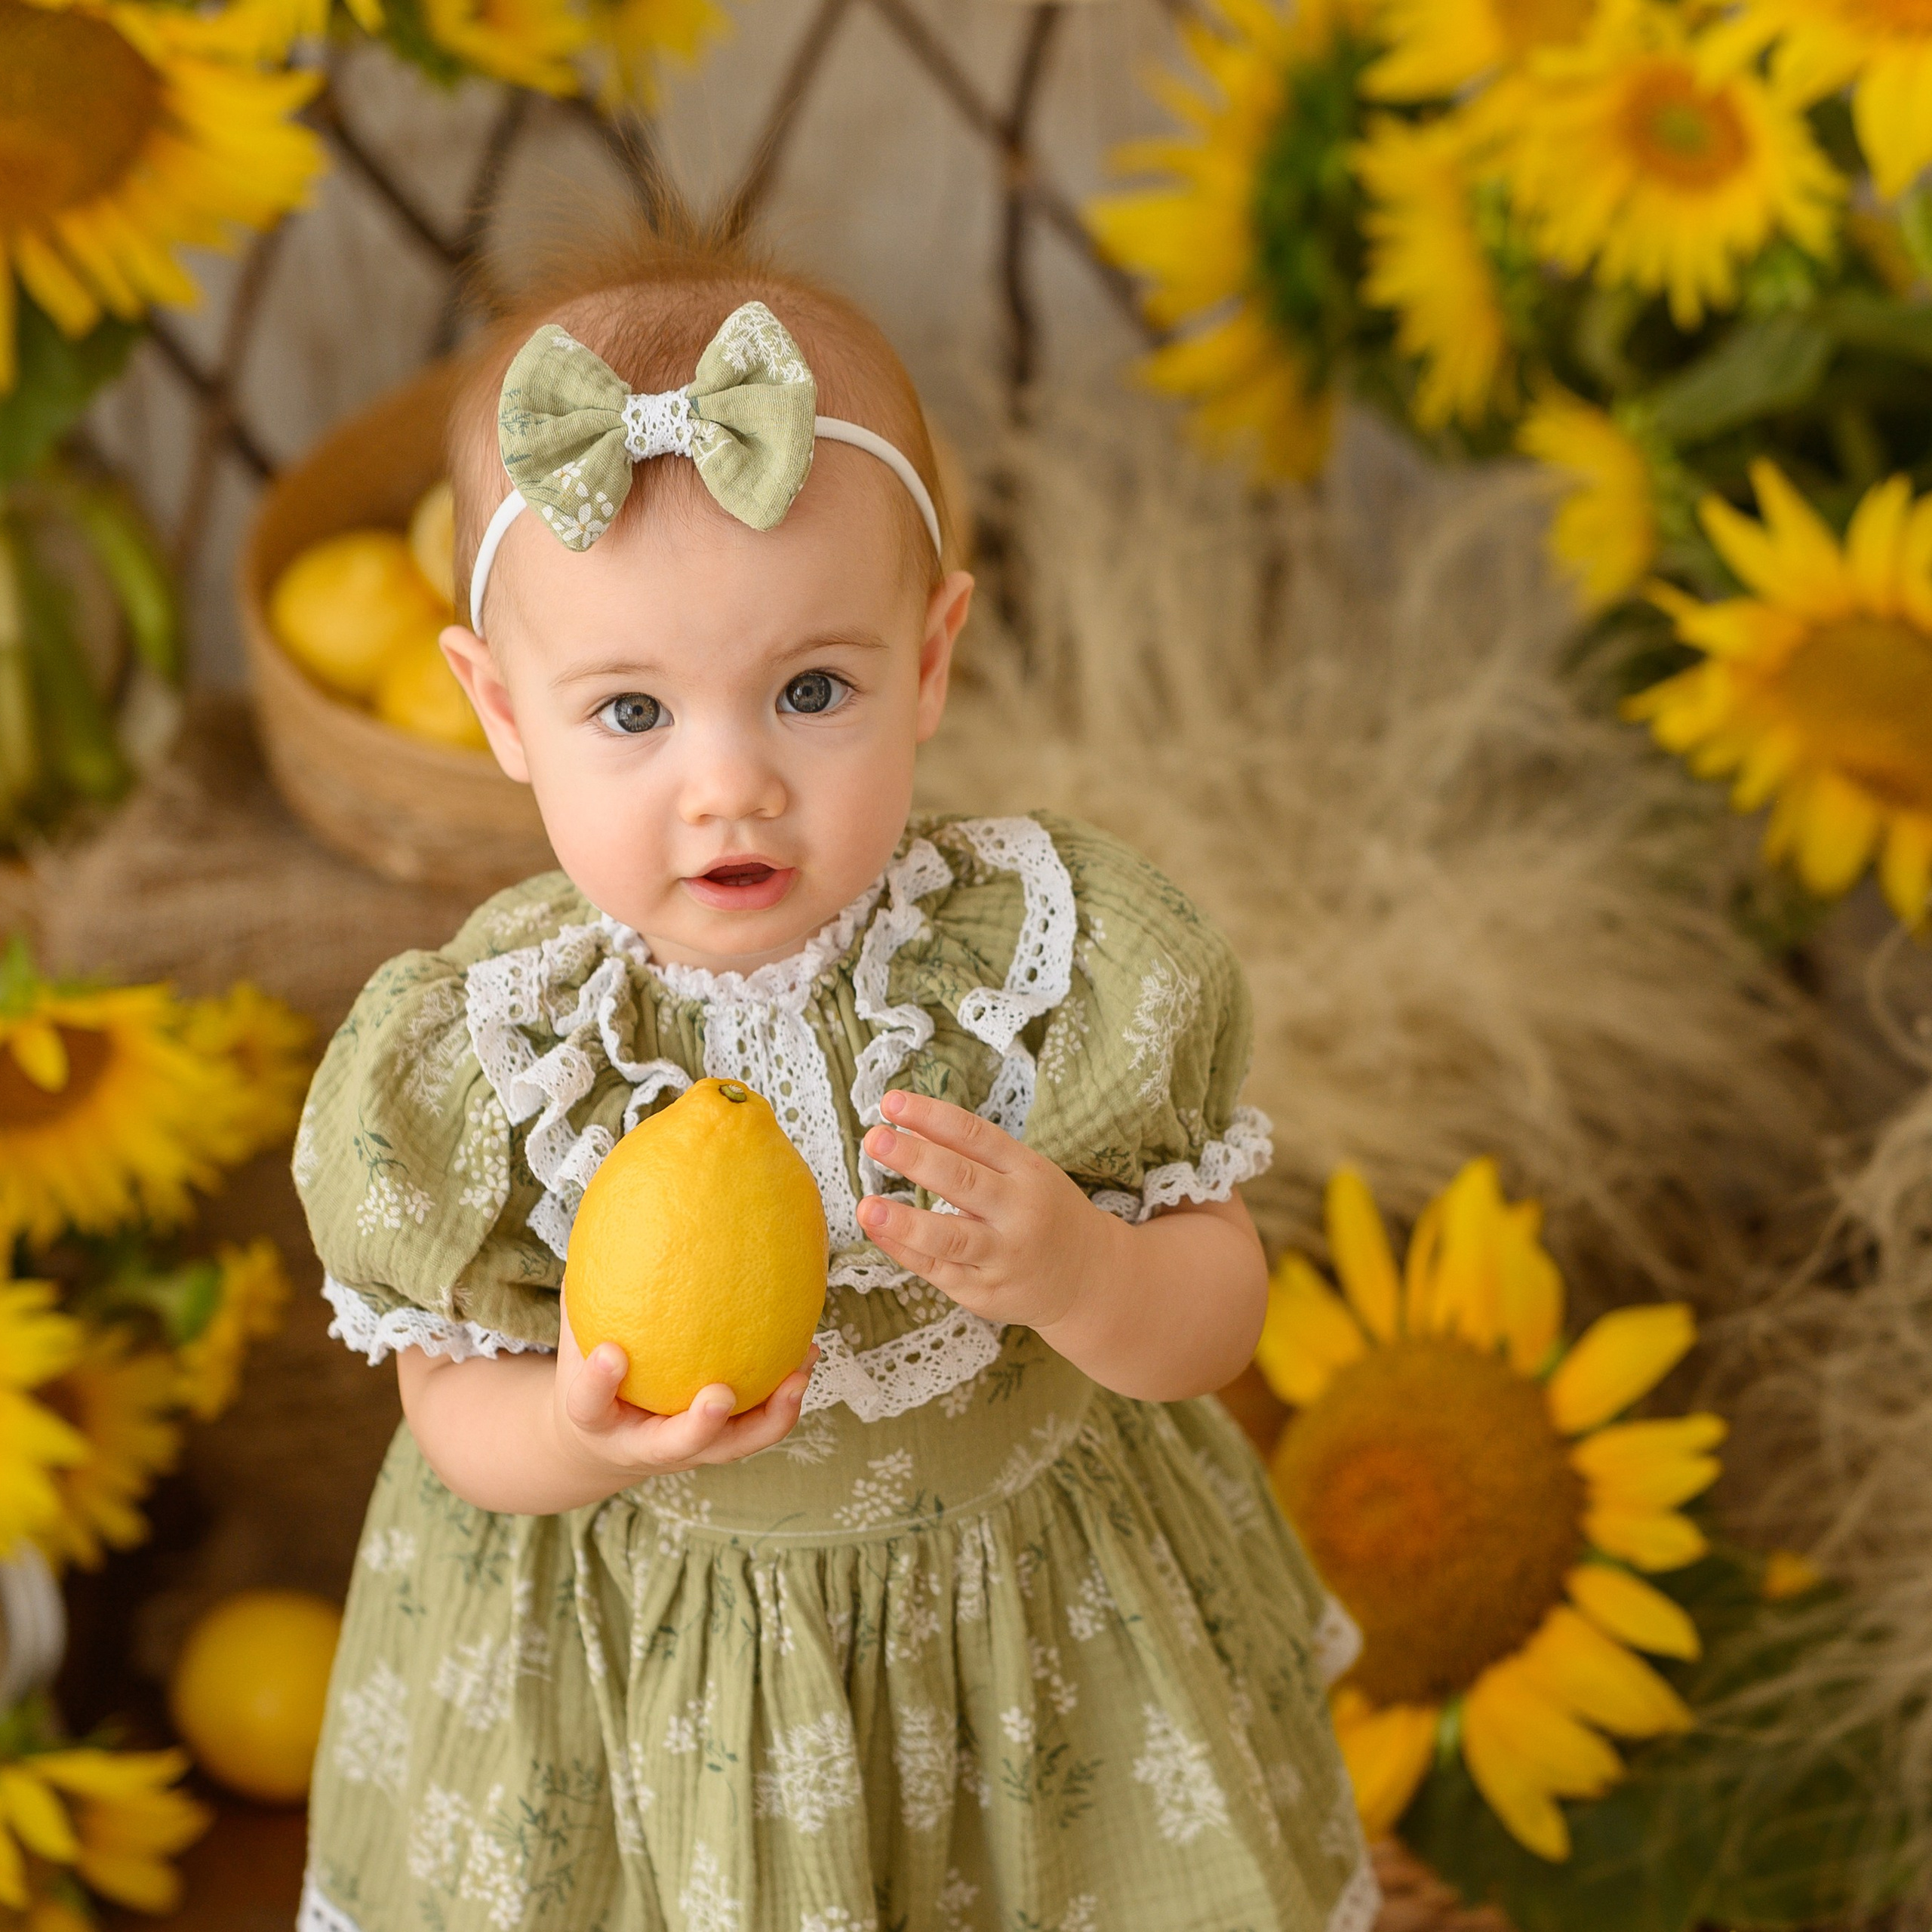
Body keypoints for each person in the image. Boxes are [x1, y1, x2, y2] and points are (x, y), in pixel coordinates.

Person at [294, 235, 1376, 1932]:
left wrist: (1086, 1271)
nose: (731, 784)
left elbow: (1215, 1312)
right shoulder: (496, 1048)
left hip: (1025, 1652)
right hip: (660, 1680)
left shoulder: (1042, 967)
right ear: (500, 710)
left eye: (811, 689)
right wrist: (577, 1434)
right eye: (631, 710)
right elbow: (451, 1415)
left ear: (928, 659)